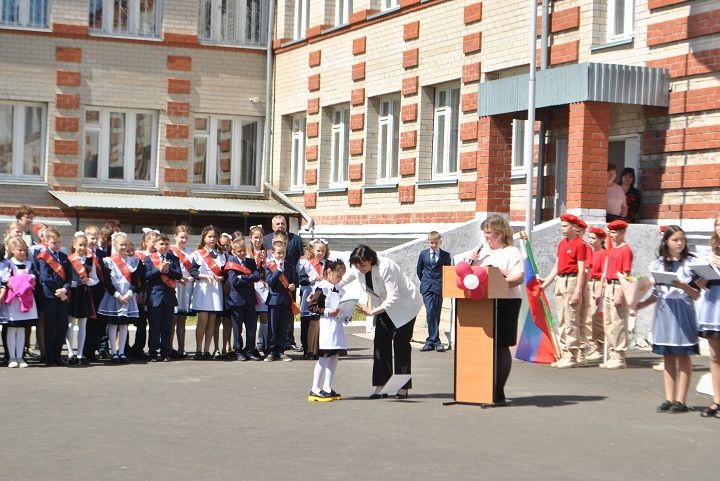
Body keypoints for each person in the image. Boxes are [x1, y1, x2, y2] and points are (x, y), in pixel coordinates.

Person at [345, 244, 422, 399]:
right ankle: (382, 386)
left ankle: (402, 387)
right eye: (357, 266)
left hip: (404, 306)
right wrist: (327, 285)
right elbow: (342, 280)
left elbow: (393, 296)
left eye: (363, 265)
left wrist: (372, 312)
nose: (360, 269)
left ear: (371, 260)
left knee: (401, 344)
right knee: (380, 344)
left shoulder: (386, 267)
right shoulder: (358, 266)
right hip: (383, 307)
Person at [637, 226, 699, 413]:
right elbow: (657, 293)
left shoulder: (690, 263)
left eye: (682, 239)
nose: (680, 243)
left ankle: (681, 400)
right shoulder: (658, 264)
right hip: (664, 312)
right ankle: (669, 398)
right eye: (675, 240)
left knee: (683, 355)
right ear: (666, 242)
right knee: (668, 356)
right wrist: (641, 303)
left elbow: (696, 294)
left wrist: (682, 285)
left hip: (682, 310)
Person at [464, 216, 524, 404]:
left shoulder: (511, 252)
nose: (485, 236)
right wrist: (471, 261)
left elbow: (518, 277)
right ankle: (480, 388)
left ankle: (498, 391)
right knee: (482, 345)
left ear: (499, 233)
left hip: (506, 302)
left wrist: (498, 282)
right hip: (483, 303)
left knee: (500, 345)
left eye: (488, 232)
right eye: (484, 232)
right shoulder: (481, 253)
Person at [539, 214, 587, 368]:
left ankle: (571, 355)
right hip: (561, 281)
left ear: (575, 227)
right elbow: (557, 267)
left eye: (565, 226)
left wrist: (578, 291)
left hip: (572, 281)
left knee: (571, 319)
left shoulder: (580, 245)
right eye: (561, 226)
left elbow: (581, 270)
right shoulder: (562, 243)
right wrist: (545, 283)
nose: (563, 229)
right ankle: (567, 352)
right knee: (562, 319)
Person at [307, 259, 348, 402]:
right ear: (329, 272)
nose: (340, 278)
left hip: (336, 326)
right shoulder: (322, 287)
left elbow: (341, 308)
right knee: (324, 357)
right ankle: (315, 388)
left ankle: (327, 387)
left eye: (342, 276)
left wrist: (345, 315)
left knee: (334, 356)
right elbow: (311, 307)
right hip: (324, 326)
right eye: (339, 275)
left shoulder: (340, 289)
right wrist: (328, 312)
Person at [98, 232, 141, 363]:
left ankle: (121, 352)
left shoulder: (133, 261)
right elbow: (107, 282)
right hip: (114, 296)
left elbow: (135, 281)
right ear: (115, 245)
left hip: (127, 296)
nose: (124, 247)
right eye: (121, 244)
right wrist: (117, 295)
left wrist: (128, 294)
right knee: (112, 324)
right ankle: (114, 352)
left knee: (124, 325)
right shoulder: (108, 261)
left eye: (126, 244)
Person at [263, 215, 304, 350]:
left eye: (283, 223)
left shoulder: (296, 239)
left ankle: (289, 340)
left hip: (289, 282)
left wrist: (295, 281)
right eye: (278, 224)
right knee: (274, 321)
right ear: (273, 226)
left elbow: (299, 261)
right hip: (274, 281)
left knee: (288, 312)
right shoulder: (266, 239)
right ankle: (273, 347)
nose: (280, 226)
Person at [190, 225, 226, 360]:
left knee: (212, 320)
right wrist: (204, 276)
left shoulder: (222, 255)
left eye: (215, 236)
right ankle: (198, 349)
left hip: (216, 289)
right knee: (203, 320)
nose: (212, 239)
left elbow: (225, 273)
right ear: (204, 237)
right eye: (209, 236)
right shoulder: (198, 253)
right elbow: (193, 271)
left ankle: (207, 350)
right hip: (203, 289)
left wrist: (222, 277)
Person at [696, 214, 720, 418]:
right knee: (714, 355)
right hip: (713, 303)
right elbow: (700, 284)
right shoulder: (710, 251)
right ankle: (717, 401)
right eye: (718, 224)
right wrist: (703, 277)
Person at [36, 227, 72, 366]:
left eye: (59, 242)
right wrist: (59, 291)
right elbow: (46, 277)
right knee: (50, 326)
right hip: (50, 295)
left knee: (63, 325)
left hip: (62, 295)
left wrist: (65, 289)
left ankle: (58, 355)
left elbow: (69, 277)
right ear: (46, 241)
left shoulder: (63, 257)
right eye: (54, 242)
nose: (57, 245)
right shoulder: (43, 257)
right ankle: (50, 357)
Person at [144, 234, 182, 362]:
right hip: (154, 297)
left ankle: (166, 353)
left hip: (169, 297)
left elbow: (179, 274)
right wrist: (159, 269)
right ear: (155, 245)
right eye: (161, 244)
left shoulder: (173, 258)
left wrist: (168, 270)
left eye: (166, 244)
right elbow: (147, 275)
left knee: (167, 327)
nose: (164, 246)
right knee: (154, 327)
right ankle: (153, 353)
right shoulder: (149, 259)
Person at [601, 219, 634, 369]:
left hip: (618, 286)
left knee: (618, 322)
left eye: (614, 232)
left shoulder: (626, 250)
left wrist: (620, 293)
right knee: (608, 322)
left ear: (622, 233)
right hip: (609, 286)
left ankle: (620, 356)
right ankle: (612, 352)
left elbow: (626, 274)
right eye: (611, 232)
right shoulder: (613, 249)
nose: (612, 235)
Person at [1, 238, 38, 368]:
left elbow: (33, 278)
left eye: (24, 250)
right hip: (13, 301)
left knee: (22, 328)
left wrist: (29, 279)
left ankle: (20, 357)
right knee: (12, 328)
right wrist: (20, 282)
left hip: (26, 300)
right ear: (12, 250)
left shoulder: (29, 264)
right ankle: (12, 357)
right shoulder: (8, 264)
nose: (23, 252)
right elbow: (6, 280)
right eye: (20, 250)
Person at [225, 235, 261, 361]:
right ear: (234, 251)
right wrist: (248, 279)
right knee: (237, 327)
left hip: (250, 299)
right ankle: (238, 350)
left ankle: (250, 350)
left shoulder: (250, 262)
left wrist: (243, 278)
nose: (242, 253)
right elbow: (234, 281)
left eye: (243, 251)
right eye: (239, 251)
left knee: (251, 326)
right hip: (236, 300)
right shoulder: (231, 263)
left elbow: (257, 276)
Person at [66, 233, 99, 365]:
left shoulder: (90, 260)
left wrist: (87, 281)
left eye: (84, 245)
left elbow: (95, 279)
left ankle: (80, 353)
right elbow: (66, 278)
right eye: (80, 245)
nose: (82, 247)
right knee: (69, 324)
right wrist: (75, 283)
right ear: (74, 245)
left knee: (82, 325)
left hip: (84, 293)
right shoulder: (69, 260)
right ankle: (70, 352)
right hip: (72, 294)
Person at [417, 231, 452, 352]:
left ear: (440, 242)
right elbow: (419, 270)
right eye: (431, 243)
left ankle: (431, 342)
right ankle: (435, 341)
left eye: (436, 243)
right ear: (428, 242)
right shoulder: (423, 254)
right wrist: (425, 281)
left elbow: (448, 272)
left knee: (436, 313)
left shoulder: (446, 256)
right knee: (430, 310)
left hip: (439, 287)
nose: (433, 245)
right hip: (426, 287)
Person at [264, 240, 297, 362]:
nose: (281, 255)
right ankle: (271, 351)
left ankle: (281, 351)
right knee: (272, 327)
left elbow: (293, 280)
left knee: (283, 327)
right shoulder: (269, 265)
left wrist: (293, 286)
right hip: (274, 300)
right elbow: (271, 282)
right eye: (278, 253)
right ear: (273, 252)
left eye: (283, 253)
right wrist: (278, 269)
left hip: (285, 300)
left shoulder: (288, 265)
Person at [297, 239, 329, 360]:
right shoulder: (305, 263)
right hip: (308, 295)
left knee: (320, 323)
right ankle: (307, 349)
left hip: (323, 296)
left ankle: (318, 349)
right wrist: (312, 279)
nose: (320, 253)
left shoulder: (328, 263)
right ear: (312, 250)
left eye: (322, 250)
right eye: (318, 250)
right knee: (307, 322)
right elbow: (300, 279)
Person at [583, 227, 607, 362]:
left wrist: (600, 291)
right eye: (590, 238)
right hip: (589, 283)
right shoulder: (590, 253)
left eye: (594, 238)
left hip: (598, 284)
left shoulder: (604, 254)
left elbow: (604, 273)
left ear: (601, 239)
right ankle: (592, 344)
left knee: (596, 318)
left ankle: (599, 346)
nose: (591, 241)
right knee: (587, 317)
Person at [170, 224, 194, 358]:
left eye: (186, 237)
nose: (184, 240)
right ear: (175, 237)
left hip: (187, 286)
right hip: (175, 286)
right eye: (181, 237)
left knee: (182, 319)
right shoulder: (170, 251)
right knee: (172, 318)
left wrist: (190, 278)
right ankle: (169, 347)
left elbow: (194, 269)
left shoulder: (191, 252)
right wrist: (178, 279)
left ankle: (181, 348)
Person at [249, 225, 270, 355]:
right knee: (251, 319)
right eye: (255, 237)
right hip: (250, 288)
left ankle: (265, 345)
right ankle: (252, 347)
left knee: (264, 317)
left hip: (264, 288)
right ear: (250, 238)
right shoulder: (246, 252)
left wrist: (265, 262)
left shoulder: (268, 253)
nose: (258, 240)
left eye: (260, 237)